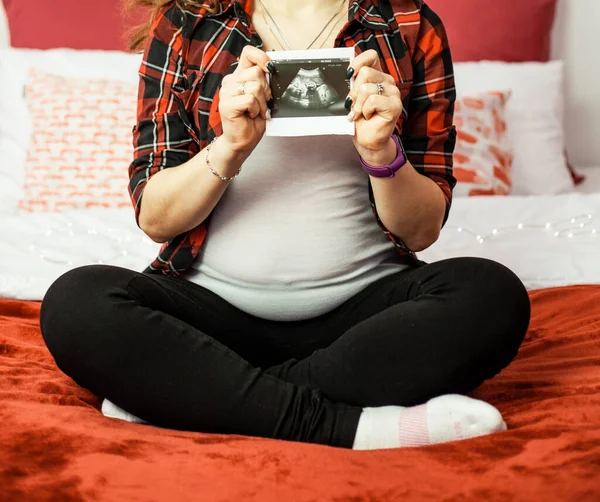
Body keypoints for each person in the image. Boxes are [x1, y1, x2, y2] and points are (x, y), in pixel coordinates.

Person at [40, 0, 531, 450]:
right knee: (75, 303)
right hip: (209, 315)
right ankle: (352, 428)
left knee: (493, 295)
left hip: (362, 321)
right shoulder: (188, 23)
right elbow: (156, 216)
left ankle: (194, 395)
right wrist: (229, 146)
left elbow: (421, 231)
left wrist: (383, 154)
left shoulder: (409, 24)